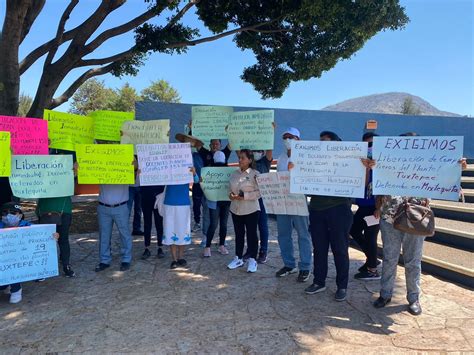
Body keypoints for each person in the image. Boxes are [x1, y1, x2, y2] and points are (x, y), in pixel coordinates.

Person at [371, 133, 468, 315]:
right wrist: (372, 169)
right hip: (389, 219)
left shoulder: (428, 165)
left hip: (417, 219)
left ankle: (413, 298)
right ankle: (385, 294)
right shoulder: (386, 164)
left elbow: (446, 181)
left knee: (413, 261)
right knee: (390, 258)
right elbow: (376, 188)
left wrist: (456, 168)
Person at [304, 131, 354, 302]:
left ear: (336, 143)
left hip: (339, 210)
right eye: (321, 142)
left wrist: (365, 167)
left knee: (340, 249)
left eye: (326, 141)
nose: (322, 145)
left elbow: (357, 183)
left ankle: (342, 286)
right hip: (317, 210)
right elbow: (307, 187)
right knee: (319, 249)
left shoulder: (348, 162)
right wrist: (297, 173)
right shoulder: (314, 162)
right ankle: (319, 281)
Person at [0, 202, 58, 304]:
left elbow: (43, 236)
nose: (9, 216)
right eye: (5, 213)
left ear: (20, 215)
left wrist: (53, 236)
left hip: (20, 261)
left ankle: (16, 289)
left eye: (13, 212)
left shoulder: (28, 226)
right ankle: (6, 284)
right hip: (3, 261)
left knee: (14, 267)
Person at [275, 127, 312, 282]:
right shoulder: (282, 157)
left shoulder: (306, 157)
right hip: (282, 199)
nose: (287, 140)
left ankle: (305, 267)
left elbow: (310, 177)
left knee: (303, 234)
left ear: (298, 139)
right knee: (283, 234)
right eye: (285, 137)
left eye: (291, 137)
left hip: (298, 198)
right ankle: (289, 264)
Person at [93, 156, 137, 272]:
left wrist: (135, 166)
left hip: (121, 206)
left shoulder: (125, 165)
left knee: (124, 234)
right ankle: (104, 260)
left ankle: (126, 259)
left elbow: (134, 181)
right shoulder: (100, 165)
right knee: (104, 235)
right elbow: (89, 173)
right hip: (103, 207)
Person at [351, 132, 381, 280]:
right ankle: (372, 259)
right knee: (354, 230)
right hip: (363, 206)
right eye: (367, 144)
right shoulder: (360, 163)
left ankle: (373, 270)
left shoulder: (383, 164)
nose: (370, 147)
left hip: (374, 207)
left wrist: (379, 208)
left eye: (373, 144)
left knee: (370, 237)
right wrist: (367, 169)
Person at [227, 150, 261, 273]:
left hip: (251, 209)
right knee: (239, 234)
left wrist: (245, 196)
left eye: (243, 158)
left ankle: (253, 259)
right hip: (236, 209)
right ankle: (238, 257)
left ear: (250, 160)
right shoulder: (233, 174)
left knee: (252, 235)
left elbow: (260, 192)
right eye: (239, 157)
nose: (240, 160)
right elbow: (229, 189)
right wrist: (230, 195)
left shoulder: (255, 174)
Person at [162, 167, 199, 269]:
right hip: (169, 203)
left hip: (183, 203)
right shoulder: (167, 165)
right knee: (170, 230)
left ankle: (180, 257)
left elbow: (196, 180)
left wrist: (194, 173)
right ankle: (174, 259)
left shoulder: (187, 165)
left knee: (182, 230)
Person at [203, 151, 231, 257]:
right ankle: (207, 246)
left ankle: (222, 245)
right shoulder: (208, 171)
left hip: (225, 201)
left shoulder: (229, 172)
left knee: (223, 224)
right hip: (214, 201)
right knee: (213, 224)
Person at [251, 148, 273, 264]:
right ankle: (251, 250)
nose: (256, 152)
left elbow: (269, 149)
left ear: (263, 152)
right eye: (254, 150)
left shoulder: (265, 161)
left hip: (262, 198)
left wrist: (271, 132)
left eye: (259, 150)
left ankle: (263, 251)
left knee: (262, 225)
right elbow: (238, 150)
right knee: (251, 226)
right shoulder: (249, 161)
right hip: (250, 197)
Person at [140, 184, 165, 259]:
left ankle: (160, 247)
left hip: (159, 196)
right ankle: (147, 247)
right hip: (145, 196)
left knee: (159, 223)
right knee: (147, 224)